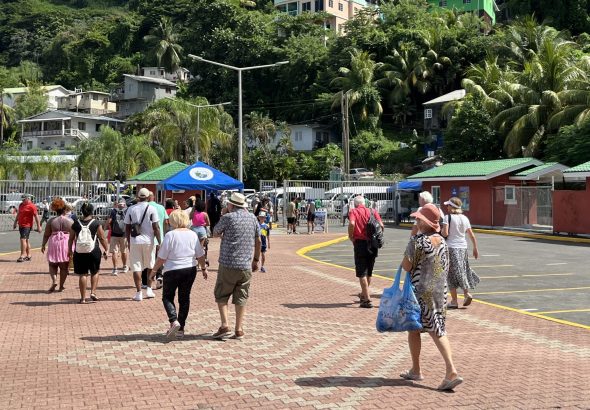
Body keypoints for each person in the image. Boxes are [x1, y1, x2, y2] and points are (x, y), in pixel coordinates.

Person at [399, 203, 463, 391]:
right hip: (439, 291)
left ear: (426, 222)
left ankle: (450, 371)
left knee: (428, 329)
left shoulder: (417, 242)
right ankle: (416, 369)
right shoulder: (442, 241)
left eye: (419, 219)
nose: (417, 222)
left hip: (420, 292)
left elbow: (406, 266)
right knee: (427, 328)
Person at [148, 210, 208, 339]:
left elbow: (161, 257)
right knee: (184, 298)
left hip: (172, 269)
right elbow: (200, 254)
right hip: (189, 269)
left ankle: (173, 320)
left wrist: (154, 271)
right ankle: (181, 328)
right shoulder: (192, 234)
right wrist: (203, 268)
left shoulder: (170, 235)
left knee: (167, 297)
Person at [211, 192, 261, 340]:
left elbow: (215, 232)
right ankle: (239, 329)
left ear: (231, 205)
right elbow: (258, 240)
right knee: (241, 296)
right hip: (245, 264)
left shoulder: (228, 217)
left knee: (221, 294)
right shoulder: (252, 218)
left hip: (228, 263)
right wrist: (256, 259)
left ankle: (225, 324)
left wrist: (223, 214)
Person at [440, 197, 480, 308]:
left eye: (448, 205)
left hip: (451, 247)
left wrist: (440, 231)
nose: (447, 207)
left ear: (452, 207)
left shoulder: (447, 217)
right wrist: (475, 248)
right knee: (462, 270)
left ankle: (455, 301)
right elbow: (471, 235)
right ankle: (466, 294)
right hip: (463, 247)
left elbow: (445, 233)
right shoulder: (465, 218)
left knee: (451, 274)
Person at [68, 203, 109, 304]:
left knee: (83, 274)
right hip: (93, 250)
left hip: (79, 251)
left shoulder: (76, 223)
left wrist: (70, 250)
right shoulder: (96, 223)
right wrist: (106, 249)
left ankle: (82, 298)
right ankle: (93, 292)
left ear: (81, 211)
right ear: (92, 211)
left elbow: (71, 238)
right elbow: (102, 237)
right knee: (95, 271)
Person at [125, 188, 161, 302]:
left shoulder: (131, 209)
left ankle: (138, 292)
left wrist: (128, 241)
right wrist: (160, 242)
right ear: (148, 197)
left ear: (138, 196)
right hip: (149, 241)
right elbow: (156, 227)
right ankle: (149, 289)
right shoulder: (152, 208)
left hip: (135, 241)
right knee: (150, 265)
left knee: (136, 267)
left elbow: (127, 227)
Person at [348, 195, 384, 308]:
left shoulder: (354, 212)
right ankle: (364, 295)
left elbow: (352, 223)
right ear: (364, 203)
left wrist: (351, 236)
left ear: (355, 204)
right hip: (373, 244)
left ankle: (367, 299)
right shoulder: (373, 211)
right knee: (369, 271)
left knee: (362, 272)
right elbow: (381, 226)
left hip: (360, 243)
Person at [41, 197, 73, 293]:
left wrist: (43, 244)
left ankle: (54, 280)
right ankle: (61, 286)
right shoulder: (70, 221)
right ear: (64, 209)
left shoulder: (51, 221)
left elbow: (46, 234)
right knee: (64, 266)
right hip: (66, 242)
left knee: (52, 264)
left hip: (54, 242)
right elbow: (74, 235)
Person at [149, 191, 169, 289]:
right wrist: (164, 233)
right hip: (160, 237)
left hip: (148, 238)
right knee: (159, 257)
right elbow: (166, 222)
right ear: (153, 197)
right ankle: (159, 276)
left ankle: (147, 280)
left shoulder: (145, 207)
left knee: (149, 259)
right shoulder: (161, 207)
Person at [13, 195, 41, 262]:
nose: (22, 201)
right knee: (26, 240)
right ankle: (29, 255)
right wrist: (15, 222)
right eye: (22, 199)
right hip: (21, 225)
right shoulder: (21, 205)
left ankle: (22, 255)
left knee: (23, 239)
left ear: (28, 199)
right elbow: (18, 214)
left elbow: (36, 216)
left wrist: (38, 226)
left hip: (27, 226)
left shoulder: (32, 206)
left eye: (24, 199)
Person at [106, 198, 129, 276]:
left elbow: (109, 221)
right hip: (124, 235)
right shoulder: (127, 211)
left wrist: (109, 228)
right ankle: (125, 266)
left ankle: (115, 269)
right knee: (124, 251)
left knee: (114, 252)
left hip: (114, 234)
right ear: (124, 204)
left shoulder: (113, 211)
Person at [190, 198, 211, 266]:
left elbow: (189, 217)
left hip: (194, 230)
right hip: (202, 230)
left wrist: (193, 209)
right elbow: (208, 223)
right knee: (201, 248)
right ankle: (201, 263)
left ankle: (194, 261)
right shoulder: (205, 214)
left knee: (193, 247)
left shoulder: (193, 213)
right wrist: (203, 224)